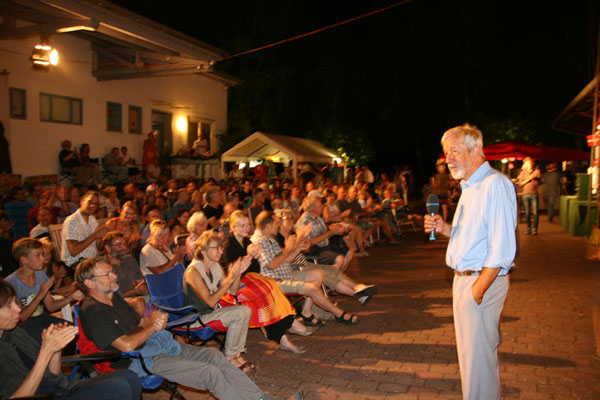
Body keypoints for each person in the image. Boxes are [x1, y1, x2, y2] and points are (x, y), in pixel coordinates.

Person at [76, 257, 279, 400]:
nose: (114, 277)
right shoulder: (95, 311)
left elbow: (140, 324)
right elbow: (126, 346)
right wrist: (153, 328)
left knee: (215, 356)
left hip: (154, 346)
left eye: (112, 272)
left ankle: (259, 398)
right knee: (210, 373)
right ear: (89, 283)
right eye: (107, 274)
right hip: (136, 361)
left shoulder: (114, 298)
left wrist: (153, 319)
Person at [424, 123, 516, 400]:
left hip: (479, 282)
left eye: (454, 150)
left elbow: (502, 249)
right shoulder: (470, 187)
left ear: (475, 150)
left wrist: (477, 291)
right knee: (471, 360)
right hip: (465, 280)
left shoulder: (494, 185)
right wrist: (445, 229)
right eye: (445, 152)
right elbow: (476, 236)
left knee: (479, 363)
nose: (447, 158)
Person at [0, 280, 142, 399]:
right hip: (45, 396)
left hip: (59, 388)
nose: (18, 309)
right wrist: (46, 351)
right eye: (8, 306)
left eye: (15, 303)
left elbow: (53, 375)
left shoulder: (15, 333)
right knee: (119, 387)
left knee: (130, 377)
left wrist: (56, 349)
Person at [223, 211, 311, 354]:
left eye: (247, 225)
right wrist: (249, 255)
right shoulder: (229, 245)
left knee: (271, 287)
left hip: (252, 279)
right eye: (241, 225)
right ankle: (288, 325)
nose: (246, 228)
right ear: (233, 228)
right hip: (237, 284)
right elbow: (233, 272)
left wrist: (252, 256)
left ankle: (284, 337)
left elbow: (255, 267)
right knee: (264, 293)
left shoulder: (247, 241)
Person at [252, 211, 360, 327]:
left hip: (286, 273)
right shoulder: (259, 241)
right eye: (277, 223)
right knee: (312, 287)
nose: (278, 225)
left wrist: (298, 249)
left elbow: (285, 259)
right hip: (275, 280)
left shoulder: (268, 237)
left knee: (318, 274)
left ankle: (306, 313)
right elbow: (272, 265)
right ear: (268, 226)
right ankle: (339, 314)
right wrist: (288, 248)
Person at [184, 231, 255, 371]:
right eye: (216, 248)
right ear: (203, 251)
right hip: (197, 317)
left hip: (212, 311)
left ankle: (237, 354)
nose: (221, 251)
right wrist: (230, 277)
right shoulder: (193, 272)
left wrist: (237, 274)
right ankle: (229, 357)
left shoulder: (214, 266)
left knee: (246, 310)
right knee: (239, 313)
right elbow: (210, 301)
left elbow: (232, 292)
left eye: (221, 248)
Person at [6, 238, 85, 342]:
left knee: (74, 330)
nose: (43, 259)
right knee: (47, 339)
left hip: (41, 319)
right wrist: (39, 296)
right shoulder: (11, 284)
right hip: (24, 326)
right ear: (23, 260)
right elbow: (19, 320)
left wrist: (71, 298)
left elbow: (51, 306)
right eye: (38, 255)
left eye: (42, 255)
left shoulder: (39, 274)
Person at [60, 191, 108, 270]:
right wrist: (95, 235)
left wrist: (101, 236)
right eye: (90, 202)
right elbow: (74, 251)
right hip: (76, 264)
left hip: (92, 260)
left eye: (95, 204)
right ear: (82, 201)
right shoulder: (72, 221)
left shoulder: (92, 219)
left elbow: (98, 247)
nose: (92, 205)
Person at [517, 157, 541, 234]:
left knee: (535, 212)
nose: (528, 164)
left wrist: (533, 179)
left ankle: (535, 229)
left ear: (532, 163)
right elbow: (520, 184)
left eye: (529, 162)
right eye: (527, 163)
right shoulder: (523, 172)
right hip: (525, 194)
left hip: (534, 194)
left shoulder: (536, 171)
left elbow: (538, 183)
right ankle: (528, 228)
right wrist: (529, 179)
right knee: (527, 213)